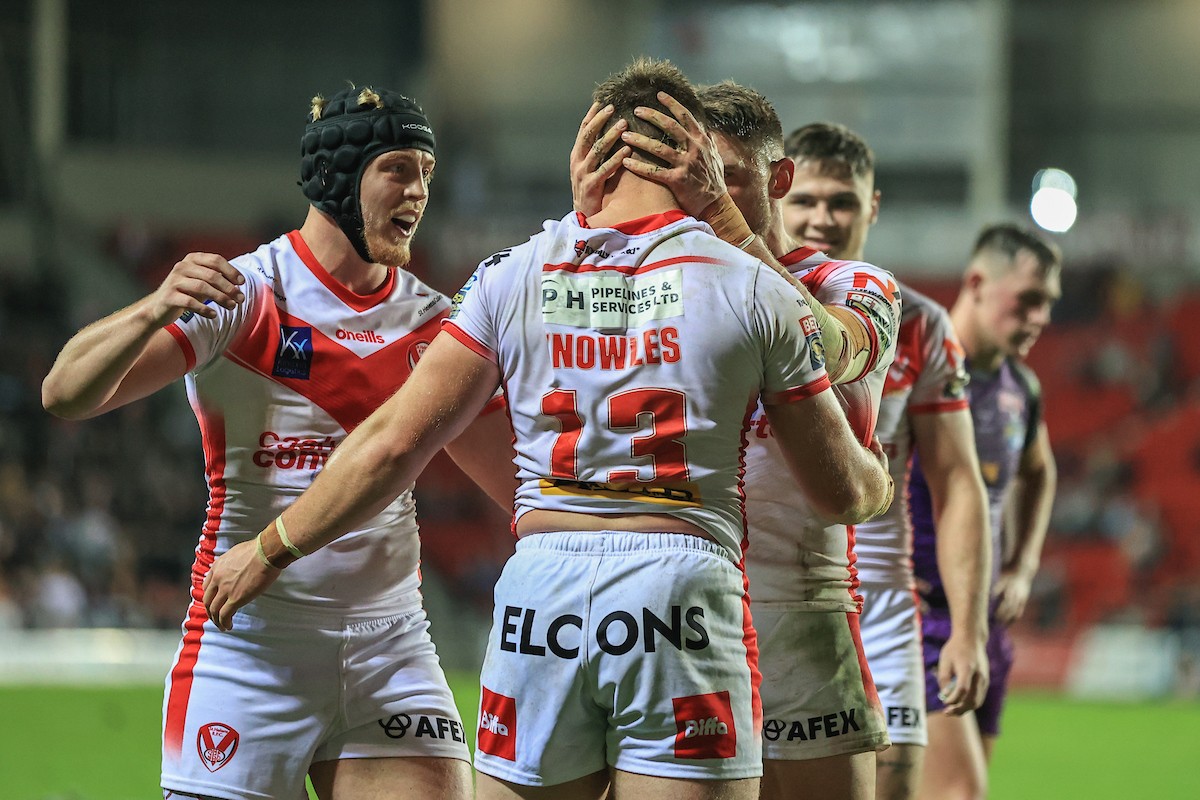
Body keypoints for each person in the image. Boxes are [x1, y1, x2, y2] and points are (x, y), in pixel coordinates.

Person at [201, 57, 894, 800]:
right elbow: (843, 489)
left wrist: (271, 548)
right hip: (683, 586)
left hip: (542, 591)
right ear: (691, 151)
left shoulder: (510, 272)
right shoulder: (753, 284)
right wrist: (876, 478)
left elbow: (394, 441)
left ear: (595, 149)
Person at [42, 85, 515, 800]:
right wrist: (155, 306)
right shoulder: (244, 297)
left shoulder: (433, 325)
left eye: (427, 171)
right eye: (398, 169)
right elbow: (65, 393)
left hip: (391, 645)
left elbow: (520, 486)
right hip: (249, 642)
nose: (419, 191)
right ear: (338, 176)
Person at [570, 82, 902, 800]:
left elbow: (835, 349)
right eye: (686, 183)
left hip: (798, 612)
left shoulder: (853, 282)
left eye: (722, 182)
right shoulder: (657, 283)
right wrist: (587, 221)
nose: (694, 202)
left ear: (779, 179)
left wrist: (723, 218)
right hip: (660, 609)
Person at [783, 123, 994, 800]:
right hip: (765, 590)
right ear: (778, 195)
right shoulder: (741, 303)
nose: (823, 216)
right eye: (808, 198)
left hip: (879, 605)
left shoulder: (923, 326)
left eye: (843, 200)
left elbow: (959, 481)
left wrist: (968, 628)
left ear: (872, 206)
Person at [912, 224, 1060, 799]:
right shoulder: (917, 363)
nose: (1040, 317)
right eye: (1028, 299)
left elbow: (1041, 471)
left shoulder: (1021, 386)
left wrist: (1022, 566)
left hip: (984, 623)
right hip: (920, 616)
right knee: (957, 791)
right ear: (976, 282)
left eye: (1048, 304)